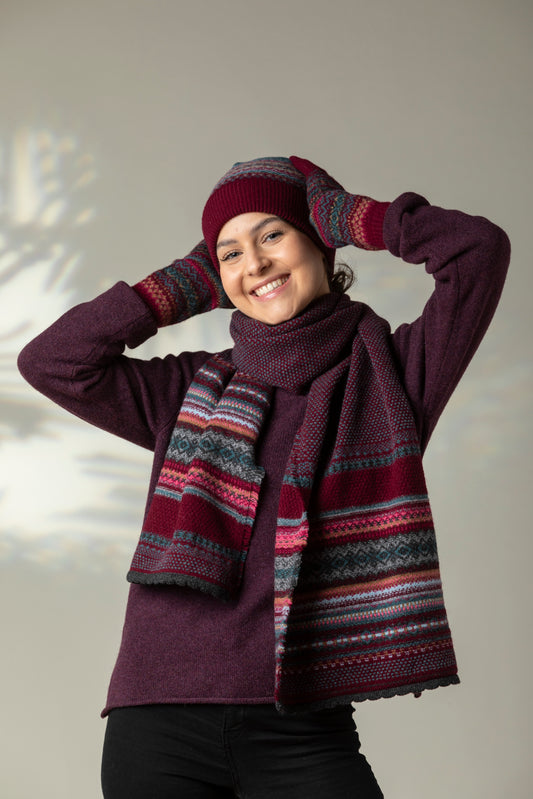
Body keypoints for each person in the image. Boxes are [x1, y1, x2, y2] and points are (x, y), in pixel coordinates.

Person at [17, 156, 510, 798]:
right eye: (230, 253)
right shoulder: (186, 389)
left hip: (302, 728)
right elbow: (53, 362)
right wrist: (183, 283)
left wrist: (356, 217)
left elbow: (479, 252)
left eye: (273, 234)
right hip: (158, 723)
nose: (255, 264)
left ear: (321, 240)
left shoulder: (396, 375)